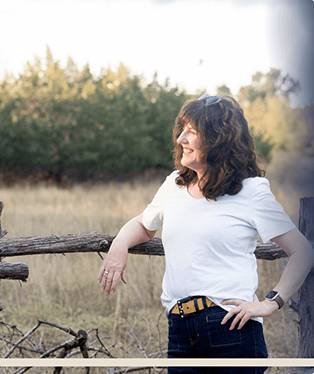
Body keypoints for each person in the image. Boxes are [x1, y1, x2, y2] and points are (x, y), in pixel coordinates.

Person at [98, 95, 314, 372]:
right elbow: (143, 224)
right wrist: (119, 246)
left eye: (192, 132)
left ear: (218, 140)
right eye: (182, 130)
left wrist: (271, 302)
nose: (180, 140)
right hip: (179, 328)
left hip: (231, 330)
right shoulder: (173, 186)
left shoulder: (251, 191)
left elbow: (302, 252)